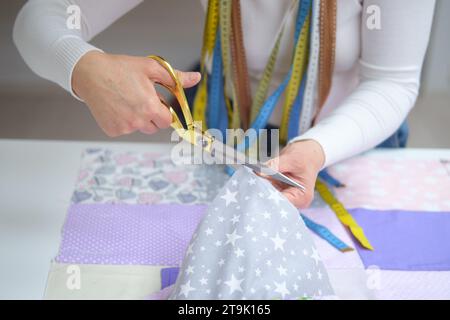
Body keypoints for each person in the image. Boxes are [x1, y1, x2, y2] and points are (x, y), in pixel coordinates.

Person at [13, 0, 435, 208]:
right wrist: (86, 69)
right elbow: (40, 18)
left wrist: (315, 148)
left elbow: (392, 83)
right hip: (223, 125)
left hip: (350, 136)